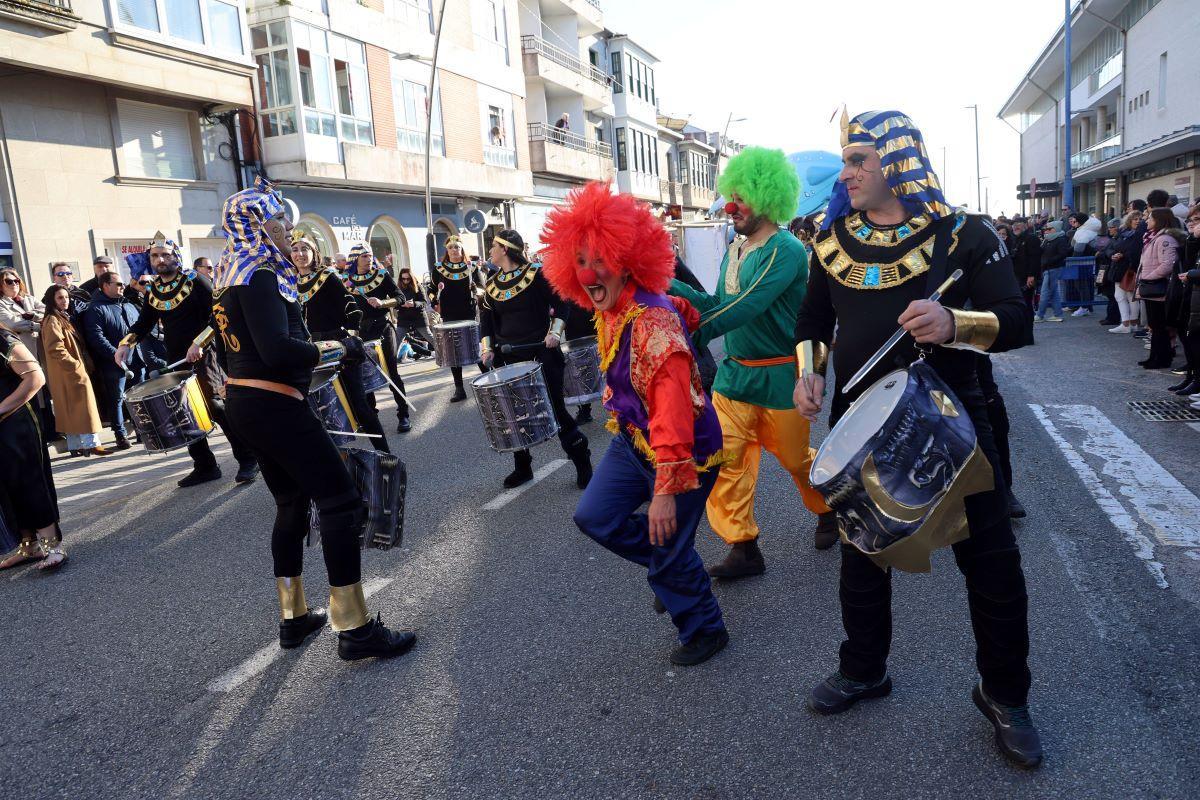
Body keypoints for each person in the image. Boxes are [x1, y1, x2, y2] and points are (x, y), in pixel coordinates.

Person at [793, 110, 1040, 768]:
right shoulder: (830, 239)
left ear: (896, 163)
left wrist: (953, 320)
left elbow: (1017, 321)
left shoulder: (965, 235)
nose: (845, 173)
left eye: (858, 161)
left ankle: (1006, 695)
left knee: (989, 562)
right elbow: (813, 321)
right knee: (863, 555)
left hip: (953, 419)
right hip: (859, 425)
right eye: (846, 162)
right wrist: (809, 373)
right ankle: (864, 669)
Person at [212, 177, 415, 660]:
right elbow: (277, 350)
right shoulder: (258, 272)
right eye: (280, 220)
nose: (288, 228)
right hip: (273, 402)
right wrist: (335, 345)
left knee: (291, 503)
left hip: (250, 401)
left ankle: (294, 617)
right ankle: (355, 627)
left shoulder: (229, 271)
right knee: (340, 503)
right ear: (261, 225)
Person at [542, 182, 729, 665]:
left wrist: (665, 493)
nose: (587, 274)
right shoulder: (615, 306)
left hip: (684, 452)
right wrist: (681, 310)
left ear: (627, 258)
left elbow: (672, 417)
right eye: (579, 262)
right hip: (633, 440)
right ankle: (677, 571)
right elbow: (685, 309)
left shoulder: (651, 325)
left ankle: (706, 627)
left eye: (598, 260)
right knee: (594, 517)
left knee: (667, 545)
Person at [668, 147, 836, 563]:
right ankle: (742, 545)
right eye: (732, 196)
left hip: (781, 378)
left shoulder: (786, 250)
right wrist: (665, 284)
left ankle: (830, 507)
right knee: (727, 460)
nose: (731, 206)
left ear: (767, 199)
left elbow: (747, 305)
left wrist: (695, 329)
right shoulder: (735, 249)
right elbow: (716, 303)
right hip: (734, 378)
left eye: (742, 198)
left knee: (797, 461)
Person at [116, 232, 259, 486]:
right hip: (176, 357)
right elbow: (144, 322)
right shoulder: (153, 291)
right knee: (182, 409)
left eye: (165, 254)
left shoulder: (197, 282)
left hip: (206, 354)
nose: (160, 259)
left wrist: (199, 342)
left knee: (216, 405)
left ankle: (248, 458)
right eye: (155, 256)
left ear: (176, 257)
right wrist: (126, 344)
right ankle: (205, 465)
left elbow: (218, 317)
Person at [479, 228, 592, 489]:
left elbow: (563, 304)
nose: (491, 252)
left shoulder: (537, 274)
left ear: (505, 249)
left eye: (494, 247)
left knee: (555, 410)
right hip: (508, 358)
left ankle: (581, 458)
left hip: (541, 352)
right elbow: (486, 323)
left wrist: (554, 333)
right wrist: (488, 349)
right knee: (514, 414)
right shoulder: (492, 285)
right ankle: (523, 467)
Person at [292, 231, 391, 454]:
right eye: (295, 249)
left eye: (305, 248)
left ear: (314, 252)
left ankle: (386, 456)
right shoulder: (289, 283)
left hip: (338, 346)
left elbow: (352, 309)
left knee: (360, 404)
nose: (300, 254)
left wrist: (351, 338)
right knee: (319, 409)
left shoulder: (328, 277)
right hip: (309, 351)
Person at [0, 331, 66, 571]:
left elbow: (36, 378)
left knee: (30, 482)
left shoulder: (3, 339)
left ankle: (53, 545)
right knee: (8, 487)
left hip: (17, 423)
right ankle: (29, 545)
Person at [346, 243, 411, 433]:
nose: (369, 259)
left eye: (370, 256)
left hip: (383, 327)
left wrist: (383, 303)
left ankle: (404, 415)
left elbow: (400, 297)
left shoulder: (382, 275)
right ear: (355, 259)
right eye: (364, 256)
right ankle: (372, 418)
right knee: (366, 376)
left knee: (392, 372)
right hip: (361, 332)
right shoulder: (346, 281)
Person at [40, 286, 107, 457]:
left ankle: (76, 445)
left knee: (72, 410)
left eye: (66, 297)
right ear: (51, 300)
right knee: (82, 408)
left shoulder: (60, 317)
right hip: (69, 372)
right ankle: (92, 443)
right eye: (60, 298)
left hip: (67, 372)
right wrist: (75, 366)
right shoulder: (52, 320)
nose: (65, 301)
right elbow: (55, 348)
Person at [80, 271, 138, 450]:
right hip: (113, 363)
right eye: (118, 284)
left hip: (136, 360)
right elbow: (96, 337)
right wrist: (116, 355)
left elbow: (139, 330)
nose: (122, 287)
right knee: (117, 399)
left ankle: (141, 429)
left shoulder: (128, 305)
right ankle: (120, 435)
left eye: (122, 284)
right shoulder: (95, 309)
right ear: (105, 286)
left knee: (137, 397)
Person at [432, 235, 485, 402]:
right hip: (448, 313)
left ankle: (489, 380)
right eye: (451, 247)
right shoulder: (439, 268)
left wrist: (476, 290)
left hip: (468, 312)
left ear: (462, 249)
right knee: (454, 350)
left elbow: (483, 289)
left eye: (457, 247)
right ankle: (459, 389)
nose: (454, 250)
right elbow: (431, 289)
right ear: (447, 251)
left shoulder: (472, 268)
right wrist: (434, 298)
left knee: (475, 347)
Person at [1135, 208, 1183, 369]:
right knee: (1154, 326)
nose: (1147, 221)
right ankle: (1155, 356)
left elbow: (1168, 264)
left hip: (1157, 287)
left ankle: (1162, 358)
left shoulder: (1165, 239)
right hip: (1151, 288)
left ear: (1159, 220)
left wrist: (1148, 277)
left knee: (1159, 326)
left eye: (1150, 218)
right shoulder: (1155, 237)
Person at [1109, 210, 1145, 333]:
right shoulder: (1123, 233)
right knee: (1121, 296)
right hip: (1120, 268)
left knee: (1130, 296)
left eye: (1140, 219)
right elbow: (1113, 247)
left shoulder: (1139, 235)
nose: (1138, 221)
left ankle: (1129, 324)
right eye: (1135, 219)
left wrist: (1122, 255)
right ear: (1129, 220)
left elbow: (1135, 252)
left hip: (1130, 268)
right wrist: (1114, 255)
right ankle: (1128, 324)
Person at [394, 267, 436, 358]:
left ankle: (445, 352)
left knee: (430, 337)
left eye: (408, 279)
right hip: (404, 318)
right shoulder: (397, 288)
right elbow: (394, 304)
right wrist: (401, 304)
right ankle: (392, 362)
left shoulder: (418, 286)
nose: (405, 281)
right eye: (403, 279)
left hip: (418, 317)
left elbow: (424, 302)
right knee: (397, 340)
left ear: (411, 278)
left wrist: (413, 304)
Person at [1035, 220, 1070, 322]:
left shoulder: (1060, 239)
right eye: (1046, 229)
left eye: (1049, 229)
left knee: (1045, 293)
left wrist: (1048, 261)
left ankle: (1040, 315)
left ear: (1056, 229)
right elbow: (1041, 251)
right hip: (1048, 268)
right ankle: (1058, 314)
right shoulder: (1047, 240)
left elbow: (1063, 254)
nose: (1047, 231)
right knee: (1053, 293)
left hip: (1053, 268)